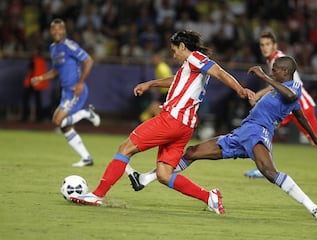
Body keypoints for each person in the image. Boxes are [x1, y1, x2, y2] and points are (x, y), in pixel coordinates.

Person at [69, 30, 254, 215]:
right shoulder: (191, 65)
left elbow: (219, 72)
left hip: (171, 120)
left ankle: (97, 195)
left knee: (125, 148)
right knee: (164, 175)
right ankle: (209, 197)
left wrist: (240, 89)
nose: (173, 54)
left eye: (174, 50)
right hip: (185, 126)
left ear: (182, 46)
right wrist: (151, 83)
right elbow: (177, 80)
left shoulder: (196, 57)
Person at [126, 56, 317, 221]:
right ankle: (146, 178)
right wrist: (314, 136)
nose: (272, 71)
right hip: (241, 133)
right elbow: (300, 115)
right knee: (193, 152)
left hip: (258, 133)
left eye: (275, 69)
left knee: (269, 172)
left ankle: (313, 207)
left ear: (285, 72)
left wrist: (263, 77)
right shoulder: (277, 90)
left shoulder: (293, 87)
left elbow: (293, 99)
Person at [243, 31, 317, 178]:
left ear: (275, 45)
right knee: (267, 127)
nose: (264, 47)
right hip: (287, 104)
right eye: (261, 45)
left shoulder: (278, 60)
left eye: (267, 44)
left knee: (315, 139)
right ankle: (264, 167)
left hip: (299, 103)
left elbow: (278, 85)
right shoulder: (274, 59)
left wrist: (258, 95)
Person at [31, 18, 100, 167]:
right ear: (50, 31)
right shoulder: (53, 48)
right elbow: (57, 70)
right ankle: (86, 158)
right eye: (54, 29)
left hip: (75, 90)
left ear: (64, 31)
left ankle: (87, 113)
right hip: (66, 92)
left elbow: (88, 61)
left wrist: (80, 82)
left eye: (59, 29)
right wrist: (41, 77)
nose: (57, 32)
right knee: (64, 126)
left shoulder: (69, 45)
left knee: (57, 121)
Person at [139, 49, 173, 122]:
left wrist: (154, 86)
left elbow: (169, 82)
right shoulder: (159, 67)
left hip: (167, 94)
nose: (153, 60)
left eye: (154, 58)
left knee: (154, 109)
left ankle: (145, 125)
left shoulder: (162, 68)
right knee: (154, 109)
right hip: (164, 94)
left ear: (158, 58)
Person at [21, 47, 49, 122]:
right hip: (35, 83)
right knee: (35, 101)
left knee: (33, 100)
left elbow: (30, 72)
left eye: (35, 50)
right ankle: (37, 117)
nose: (33, 52)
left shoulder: (35, 60)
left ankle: (29, 117)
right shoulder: (39, 60)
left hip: (34, 82)